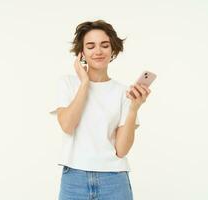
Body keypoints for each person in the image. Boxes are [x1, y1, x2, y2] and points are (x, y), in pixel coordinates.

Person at [49, 20, 151, 200]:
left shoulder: (123, 92)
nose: (98, 51)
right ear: (81, 53)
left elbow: (121, 150)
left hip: (114, 180)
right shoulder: (68, 83)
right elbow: (67, 125)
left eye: (104, 45)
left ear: (113, 50)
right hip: (75, 179)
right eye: (90, 46)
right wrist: (85, 83)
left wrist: (134, 109)